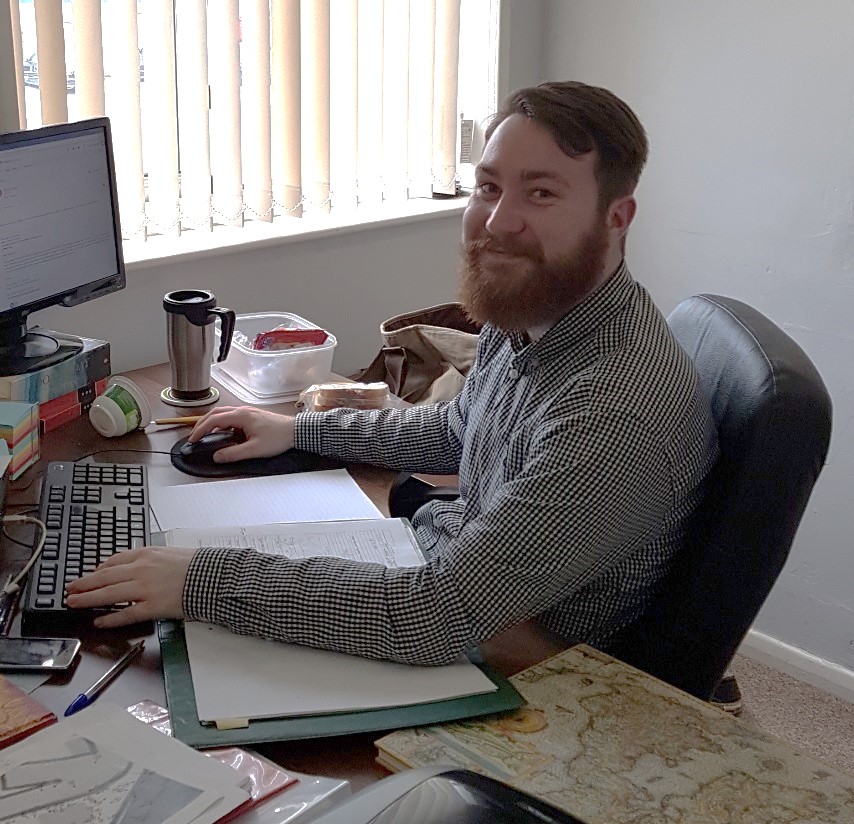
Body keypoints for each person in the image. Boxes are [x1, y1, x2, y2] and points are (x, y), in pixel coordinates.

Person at [68, 81, 718, 666]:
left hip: (529, 670)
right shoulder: (535, 309)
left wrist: (197, 581)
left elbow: (433, 616)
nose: (498, 222)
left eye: (541, 193)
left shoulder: (613, 408)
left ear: (616, 217)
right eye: (488, 187)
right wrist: (297, 429)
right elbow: (460, 430)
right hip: (456, 585)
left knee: (180, 674)